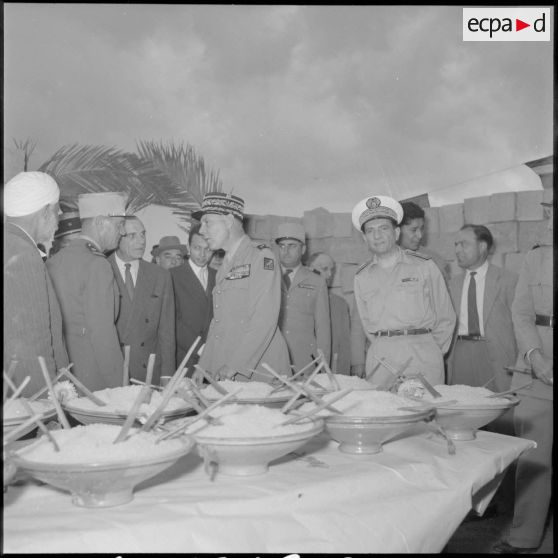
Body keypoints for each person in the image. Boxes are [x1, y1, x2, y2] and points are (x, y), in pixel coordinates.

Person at [491, 201, 553, 554]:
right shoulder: (536, 255)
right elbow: (521, 312)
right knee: (533, 457)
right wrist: (535, 356)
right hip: (536, 365)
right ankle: (525, 538)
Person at [350, 195, 455, 386]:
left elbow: (446, 317)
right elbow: (366, 325)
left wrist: (431, 351)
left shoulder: (424, 266)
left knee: (424, 413)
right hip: (381, 359)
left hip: (422, 355)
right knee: (384, 413)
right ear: (364, 238)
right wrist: (384, 346)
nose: (377, 236)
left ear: (397, 233)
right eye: (370, 231)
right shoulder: (361, 276)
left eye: (384, 228)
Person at [195, 192, 290, 379]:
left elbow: (264, 320)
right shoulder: (225, 266)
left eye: (208, 223)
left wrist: (234, 366)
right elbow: (218, 323)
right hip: (230, 368)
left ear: (229, 221)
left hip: (258, 370)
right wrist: (204, 365)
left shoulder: (261, 257)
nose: (201, 231)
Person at [46, 192, 126, 391]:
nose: (122, 232)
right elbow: (102, 332)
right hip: (96, 376)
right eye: (118, 225)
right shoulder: (97, 264)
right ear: (100, 223)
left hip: (64, 374)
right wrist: (120, 386)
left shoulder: (54, 261)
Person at [3, 171, 69, 396]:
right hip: (25, 400)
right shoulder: (23, 254)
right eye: (58, 209)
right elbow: (29, 346)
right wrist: (44, 406)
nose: (60, 216)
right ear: (46, 211)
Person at [447, 225, 518, 394]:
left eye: (464, 244)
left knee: (499, 413)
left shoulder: (508, 280)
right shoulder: (452, 284)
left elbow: (521, 325)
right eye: (456, 244)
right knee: (462, 411)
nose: (457, 250)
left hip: (496, 355)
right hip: (460, 354)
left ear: (482, 246)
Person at [108, 216, 176, 384]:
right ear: (117, 237)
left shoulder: (160, 275)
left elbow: (167, 329)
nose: (141, 241)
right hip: (113, 370)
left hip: (149, 372)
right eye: (132, 236)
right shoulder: (101, 269)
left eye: (143, 234)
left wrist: (167, 374)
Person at [275, 223, 331, 373]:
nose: (286, 251)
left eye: (292, 246)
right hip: (272, 357)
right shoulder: (268, 277)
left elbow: (322, 327)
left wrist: (323, 364)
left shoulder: (317, 281)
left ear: (303, 249)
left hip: (304, 359)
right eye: (282, 246)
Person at [170, 223, 216, 373]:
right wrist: (201, 349)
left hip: (213, 359)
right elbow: (172, 321)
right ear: (188, 247)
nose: (202, 255)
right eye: (197, 248)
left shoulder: (219, 276)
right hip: (184, 359)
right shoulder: (171, 276)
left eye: (208, 249)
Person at [307, 251, 350, 374]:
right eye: (324, 269)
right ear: (309, 269)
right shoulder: (295, 299)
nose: (330, 274)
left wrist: (343, 375)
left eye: (332, 270)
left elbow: (344, 345)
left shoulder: (340, 304)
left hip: (331, 372)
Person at [398, 201, 450, 281]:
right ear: (397, 230)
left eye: (421, 228)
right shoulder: (379, 261)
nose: (420, 236)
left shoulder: (433, 260)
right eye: (413, 230)